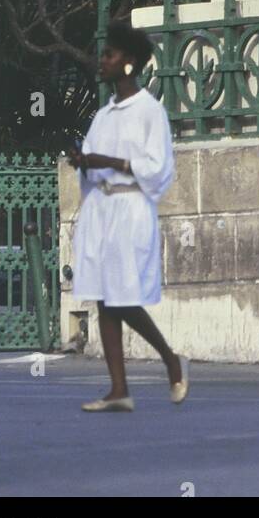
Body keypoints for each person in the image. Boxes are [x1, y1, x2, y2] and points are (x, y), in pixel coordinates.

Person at [68, 21, 187, 412]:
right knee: (104, 298)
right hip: (102, 208)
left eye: (110, 55)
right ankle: (119, 388)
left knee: (122, 297)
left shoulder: (150, 111)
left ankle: (170, 359)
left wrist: (112, 161)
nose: (102, 61)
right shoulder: (104, 115)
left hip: (131, 208)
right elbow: (93, 160)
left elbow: (158, 167)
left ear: (129, 63)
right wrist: (85, 163)